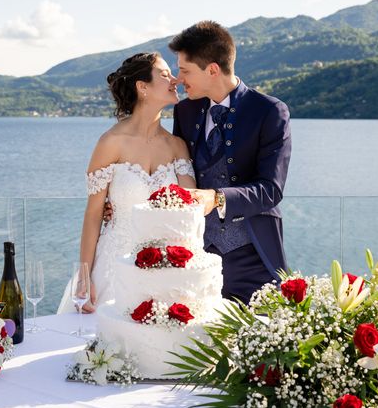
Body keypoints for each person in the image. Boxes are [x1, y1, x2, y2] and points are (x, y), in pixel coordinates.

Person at [57, 52, 196, 314]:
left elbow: (191, 207)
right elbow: (93, 215)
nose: (175, 80)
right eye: (165, 74)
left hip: (166, 268)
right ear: (142, 87)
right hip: (113, 266)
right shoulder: (111, 142)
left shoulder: (178, 146)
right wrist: (85, 278)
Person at [170, 20, 292, 305]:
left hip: (253, 257)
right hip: (198, 256)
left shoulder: (269, 112)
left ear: (212, 69)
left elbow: (271, 189)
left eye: (185, 70)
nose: (178, 78)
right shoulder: (185, 111)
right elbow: (176, 167)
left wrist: (218, 198)